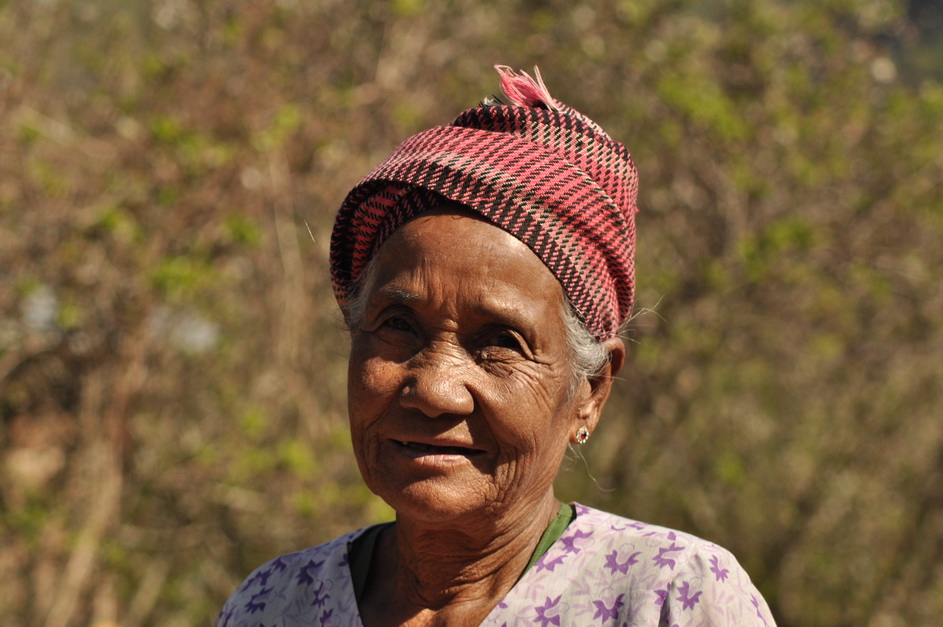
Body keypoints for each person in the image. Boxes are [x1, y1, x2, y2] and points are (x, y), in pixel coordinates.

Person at [217, 65, 775, 626]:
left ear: (590, 391)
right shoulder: (274, 604)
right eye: (398, 325)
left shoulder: (670, 596)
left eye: (499, 343)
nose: (434, 390)